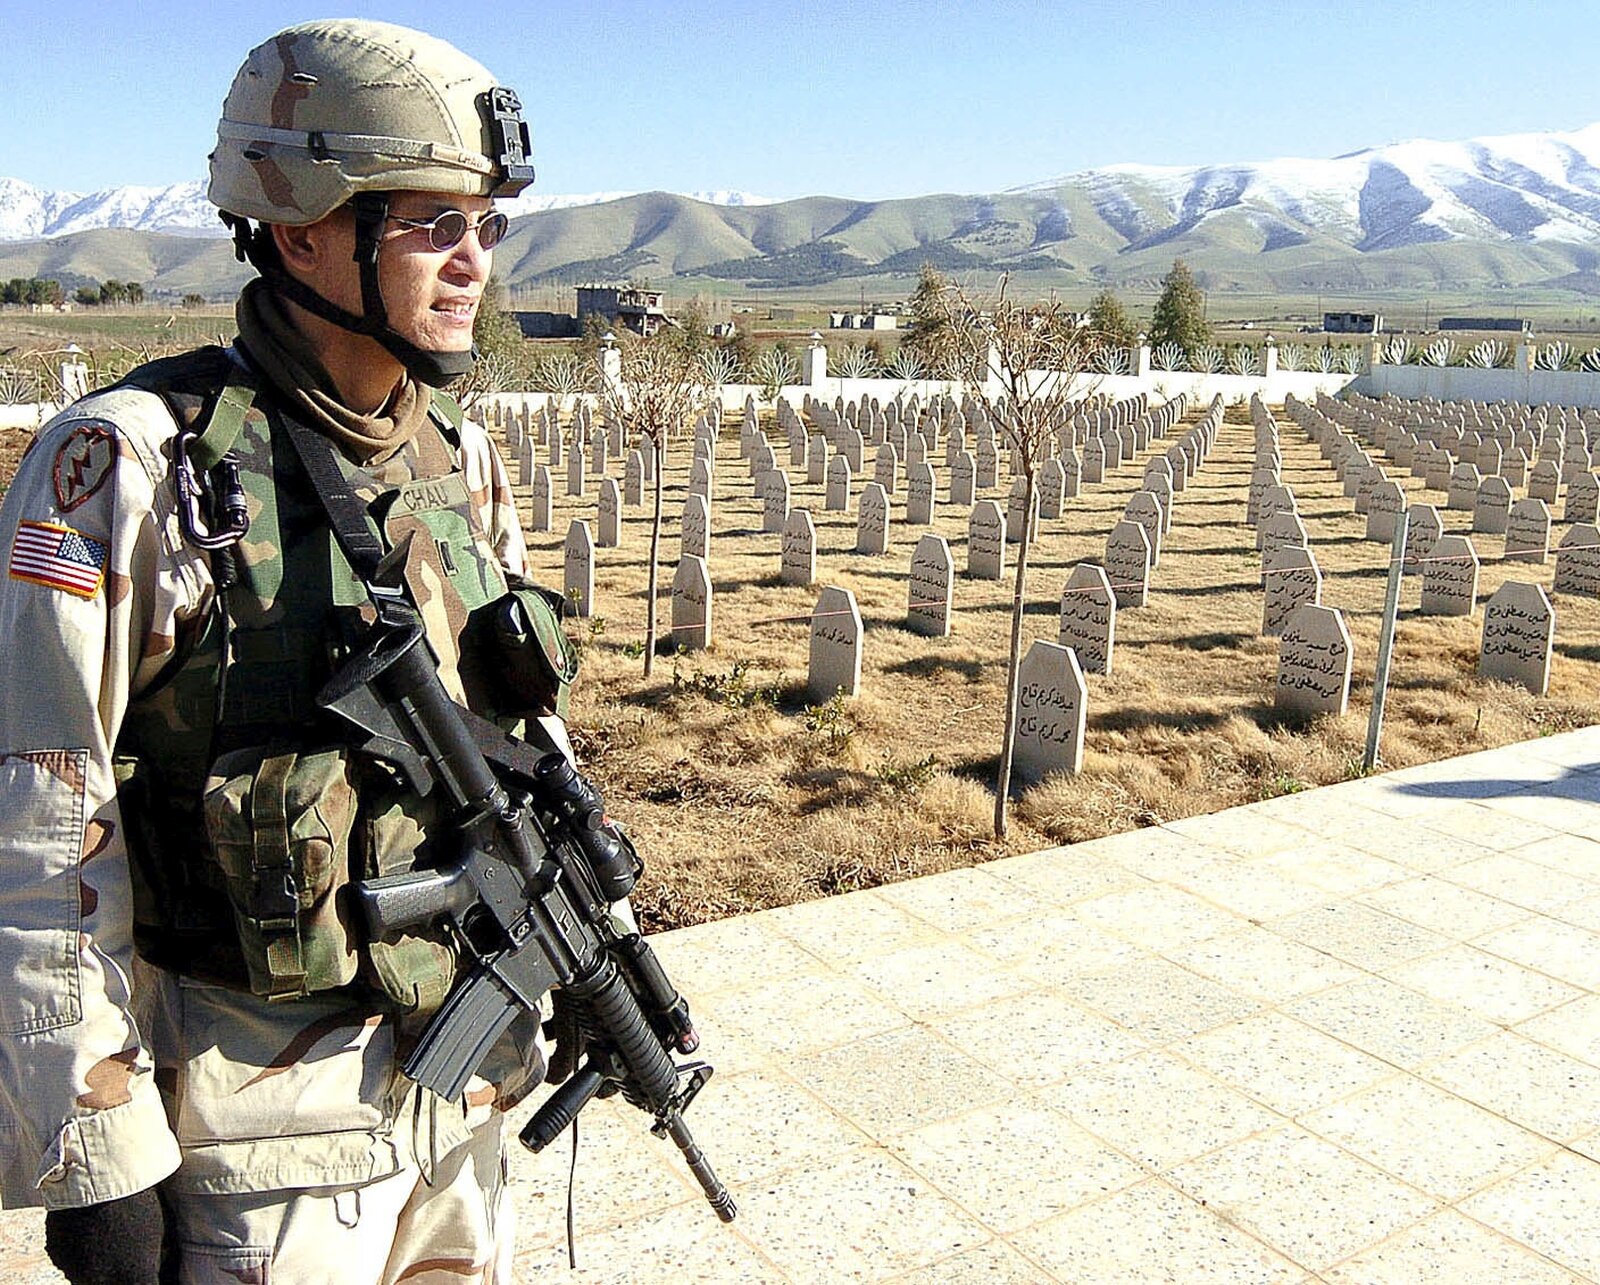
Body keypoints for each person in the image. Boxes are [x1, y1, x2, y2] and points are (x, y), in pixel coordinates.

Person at [0, 19, 570, 1283]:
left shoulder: (459, 458)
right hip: (258, 1145)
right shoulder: (133, 467)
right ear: (303, 222)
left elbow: (521, 746)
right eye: (431, 221)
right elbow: (43, 818)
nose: (475, 260)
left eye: (489, 225)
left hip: (459, 1099)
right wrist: (96, 1147)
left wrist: (582, 938)